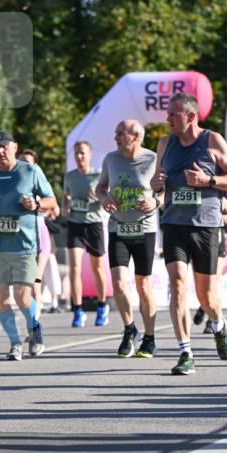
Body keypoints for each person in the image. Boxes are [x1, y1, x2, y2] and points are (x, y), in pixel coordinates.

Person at [151, 93, 227, 375]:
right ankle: (185, 352)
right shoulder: (165, 143)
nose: (167, 119)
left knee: (208, 298)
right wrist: (156, 183)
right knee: (177, 283)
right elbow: (157, 184)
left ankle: (219, 324)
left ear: (191, 117)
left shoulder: (212, 140)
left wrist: (209, 180)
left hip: (206, 225)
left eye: (173, 115)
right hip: (174, 224)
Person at [0, 131, 57, 360]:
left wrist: (36, 203)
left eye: (4, 146)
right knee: (1, 298)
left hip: (25, 245)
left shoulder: (30, 171)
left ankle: (34, 328)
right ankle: (14, 343)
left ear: (14, 147)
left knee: (22, 296)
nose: (0, 151)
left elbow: (52, 201)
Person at [97, 119, 160, 358]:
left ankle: (150, 337)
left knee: (143, 286)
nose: (115, 137)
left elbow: (166, 190)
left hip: (144, 228)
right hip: (118, 228)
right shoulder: (111, 160)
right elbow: (101, 187)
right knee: (120, 283)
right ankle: (129, 328)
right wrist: (103, 198)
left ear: (136, 137)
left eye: (120, 133)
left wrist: (155, 201)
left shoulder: (153, 159)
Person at [62, 140, 109, 329]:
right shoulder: (70, 177)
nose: (79, 157)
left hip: (94, 224)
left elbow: (107, 198)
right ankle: (78, 310)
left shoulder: (98, 175)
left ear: (90, 155)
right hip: (75, 225)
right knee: (74, 268)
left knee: (97, 268)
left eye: (82, 153)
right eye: (76, 153)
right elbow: (66, 197)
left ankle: (102, 306)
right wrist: (66, 206)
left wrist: (98, 195)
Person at [19, 149, 52, 323]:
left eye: (28, 163)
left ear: (35, 165)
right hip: (20, 239)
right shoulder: (13, 184)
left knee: (34, 282)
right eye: (21, 163)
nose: (24, 166)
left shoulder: (40, 183)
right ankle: (32, 318)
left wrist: (36, 205)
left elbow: (53, 206)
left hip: (39, 236)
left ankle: (34, 323)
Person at [200, 196, 227, 335]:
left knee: (213, 285)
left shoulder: (219, 199)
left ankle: (212, 321)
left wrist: (225, 219)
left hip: (217, 244)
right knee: (203, 286)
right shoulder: (191, 197)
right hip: (199, 243)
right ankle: (203, 306)